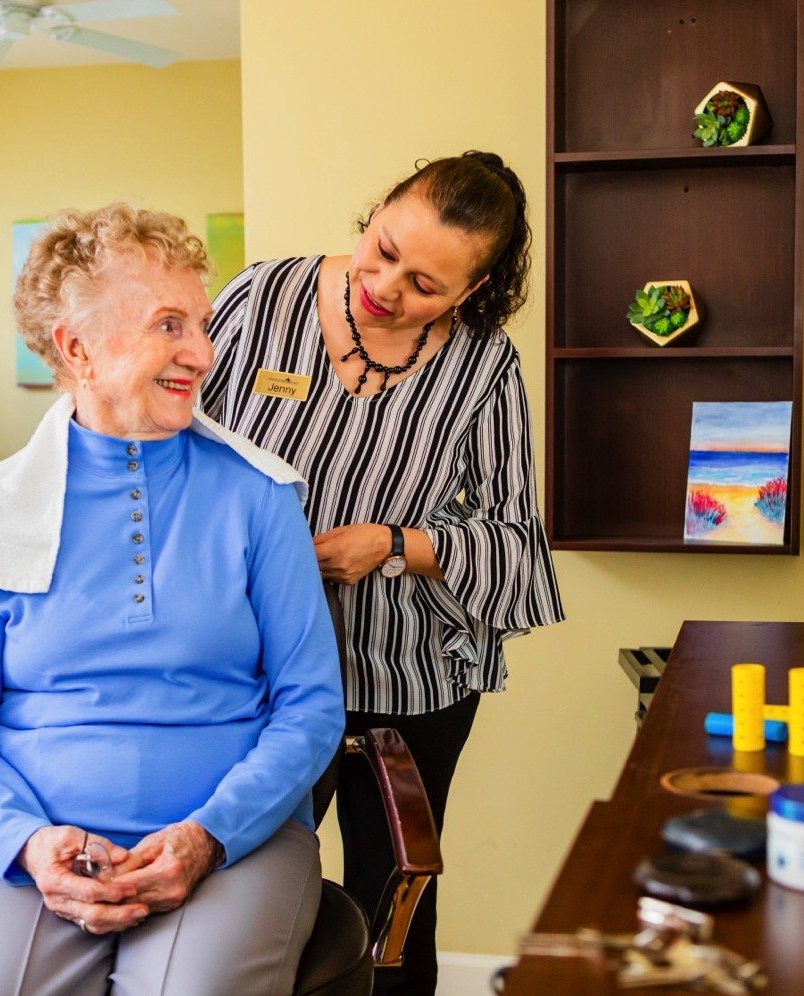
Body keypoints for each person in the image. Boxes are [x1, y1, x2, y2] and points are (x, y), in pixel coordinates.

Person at [0, 203, 345, 995]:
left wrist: (209, 836)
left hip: (232, 840)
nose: (204, 353)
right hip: (36, 847)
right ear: (76, 348)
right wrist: (30, 844)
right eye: (169, 326)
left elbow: (310, 708)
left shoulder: (260, 497)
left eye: (201, 325)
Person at [199, 151, 565, 994]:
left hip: (406, 670)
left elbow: (514, 540)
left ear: (472, 292)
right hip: (258, 659)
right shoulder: (260, 300)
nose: (388, 287)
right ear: (375, 212)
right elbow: (172, 449)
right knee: (247, 887)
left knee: (393, 904)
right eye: (385, 246)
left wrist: (393, 545)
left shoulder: (482, 367)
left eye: (427, 285)